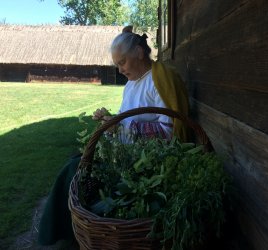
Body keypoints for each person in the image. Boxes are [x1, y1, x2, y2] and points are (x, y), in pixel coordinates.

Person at [37, 25, 189, 247]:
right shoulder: (131, 84)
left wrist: (122, 127)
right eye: (117, 64)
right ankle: (64, 233)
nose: (120, 70)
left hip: (147, 162)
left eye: (122, 62)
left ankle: (65, 236)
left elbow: (170, 132)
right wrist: (110, 120)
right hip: (125, 153)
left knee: (76, 170)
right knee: (74, 165)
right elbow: (126, 118)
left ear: (138, 52)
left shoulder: (160, 80)